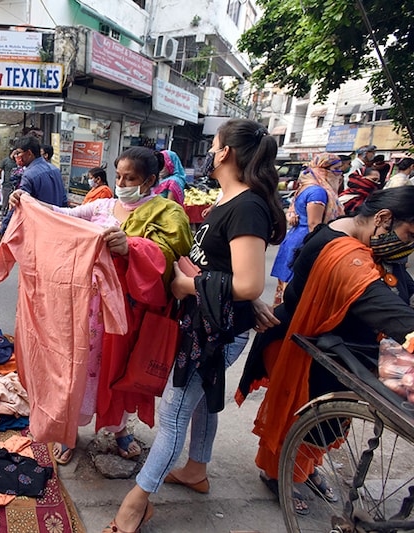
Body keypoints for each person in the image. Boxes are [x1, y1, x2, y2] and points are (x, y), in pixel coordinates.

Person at [107, 119, 286, 532]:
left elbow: (247, 281)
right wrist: (244, 297)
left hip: (214, 331)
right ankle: (196, 470)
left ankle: (137, 503)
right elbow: (230, 270)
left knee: (173, 414)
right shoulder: (230, 201)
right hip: (209, 323)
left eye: (215, 145)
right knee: (204, 400)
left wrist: (187, 284)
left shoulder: (247, 206)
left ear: (224, 153)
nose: (210, 152)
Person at [10, 146, 193, 467]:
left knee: (119, 372)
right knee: (80, 370)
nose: (122, 183)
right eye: (119, 176)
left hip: (129, 313)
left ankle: (119, 429)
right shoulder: (103, 205)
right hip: (87, 312)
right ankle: (69, 433)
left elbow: (171, 256)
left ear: (150, 180)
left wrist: (131, 249)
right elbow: (61, 215)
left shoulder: (168, 213)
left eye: (131, 178)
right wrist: (28, 204)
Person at [237, 187, 414, 516]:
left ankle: (302, 469)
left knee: (328, 423)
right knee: (303, 420)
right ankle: (279, 475)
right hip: (306, 346)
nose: (408, 243)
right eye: (409, 234)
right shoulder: (341, 251)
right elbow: (375, 299)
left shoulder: (363, 238)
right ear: (384, 219)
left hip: (341, 350)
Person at [271, 153, 344, 305]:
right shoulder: (318, 192)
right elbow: (314, 224)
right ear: (324, 169)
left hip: (297, 239)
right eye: (336, 169)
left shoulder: (308, 186)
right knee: (297, 295)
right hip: (304, 242)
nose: (340, 174)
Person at [0, 136, 67, 240]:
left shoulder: (29, 175)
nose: (17, 157)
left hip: (38, 228)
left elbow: (17, 205)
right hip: (56, 226)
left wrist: (3, 231)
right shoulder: (55, 170)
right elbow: (64, 201)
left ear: (29, 153)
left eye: (19, 153)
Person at [0, 149, 19, 218]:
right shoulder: (6, 161)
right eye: (14, 153)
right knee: (5, 202)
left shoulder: (19, 162)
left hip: (16, 185)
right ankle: (3, 216)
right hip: (7, 185)